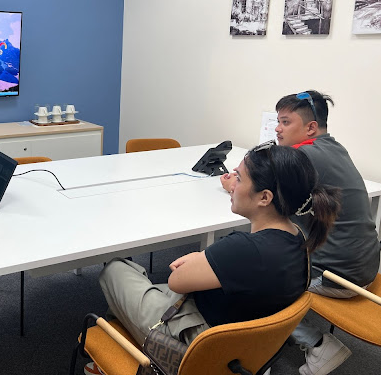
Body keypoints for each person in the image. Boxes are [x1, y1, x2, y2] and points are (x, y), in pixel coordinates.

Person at [96, 143, 339, 375]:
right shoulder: (298, 239)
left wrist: (201, 258)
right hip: (243, 348)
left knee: (116, 269)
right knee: (139, 287)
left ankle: (124, 353)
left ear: (264, 198)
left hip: (199, 345)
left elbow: (176, 282)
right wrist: (204, 258)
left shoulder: (243, 249)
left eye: (239, 178)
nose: (232, 183)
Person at [220, 90, 380, 375]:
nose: (277, 129)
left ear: (310, 128)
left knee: (249, 278)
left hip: (337, 275)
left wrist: (234, 184)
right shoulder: (334, 148)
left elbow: (262, 199)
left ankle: (316, 345)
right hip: (366, 265)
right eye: (278, 121)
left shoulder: (303, 156)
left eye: (285, 122)